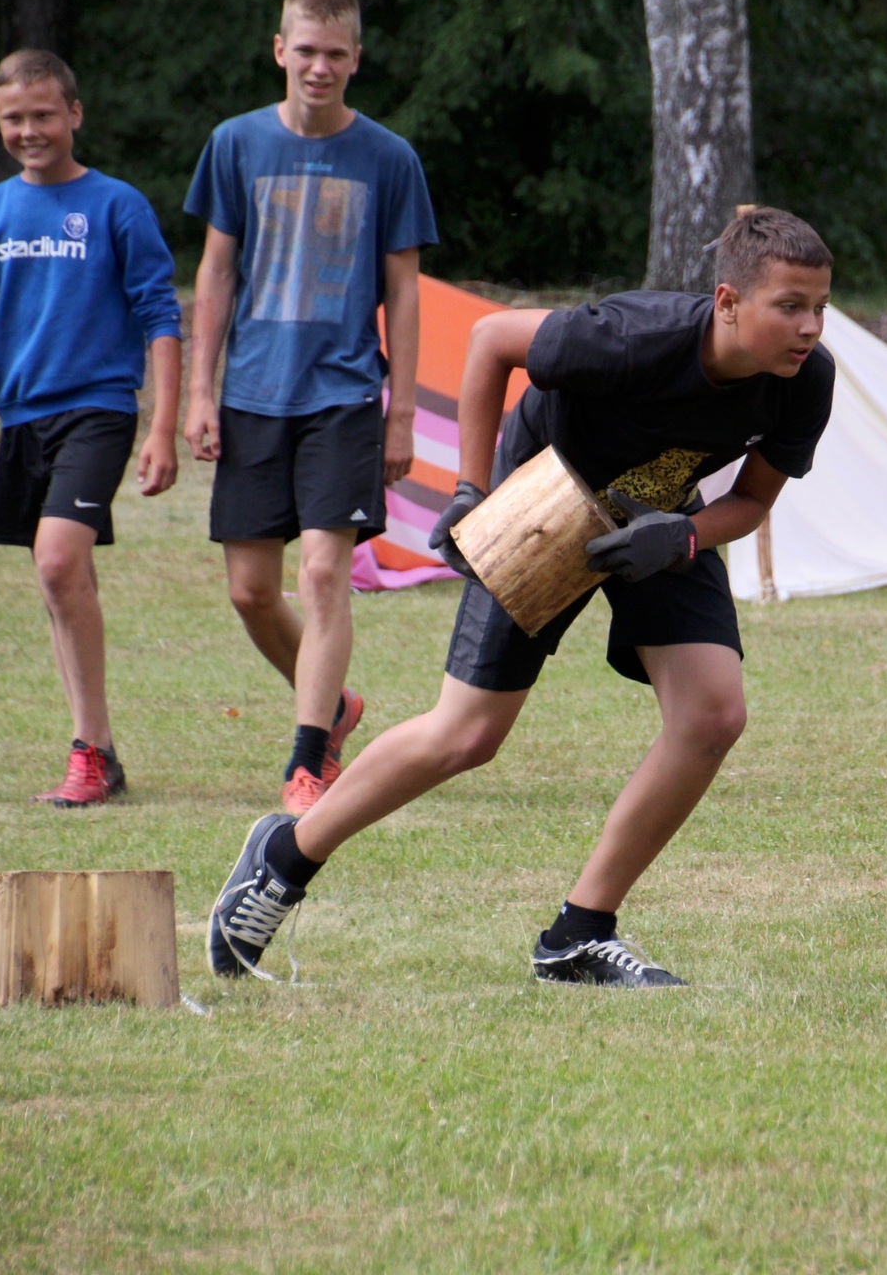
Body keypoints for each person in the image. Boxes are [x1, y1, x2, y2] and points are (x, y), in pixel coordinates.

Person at [207, 207, 836, 987]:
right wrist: (472, 491)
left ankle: (579, 934)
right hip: (546, 499)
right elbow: (491, 340)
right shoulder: (631, 338)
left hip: (660, 519)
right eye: (790, 306)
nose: (810, 328)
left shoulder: (806, 380)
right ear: (729, 302)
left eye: (819, 307)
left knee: (713, 715)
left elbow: (751, 500)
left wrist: (681, 538)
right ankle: (286, 853)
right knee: (466, 734)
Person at [182, 0, 437, 815]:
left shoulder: (389, 157)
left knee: (325, 572)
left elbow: (405, 289)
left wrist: (401, 412)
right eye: (306, 51)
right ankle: (335, 707)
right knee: (251, 592)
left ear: (355, 59)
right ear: (279, 50)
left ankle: (306, 761)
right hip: (253, 392)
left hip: (346, 394)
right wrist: (199, 391)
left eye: (335, 53)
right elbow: (216, 272)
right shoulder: (235, 144)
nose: (319, 67)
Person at [0, 49, 183, 808]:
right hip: (22, 418)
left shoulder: (116, 205)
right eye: (14, 118)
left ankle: (88, 754)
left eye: (43, 114)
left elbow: (161, 317)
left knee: (59, 561)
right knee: (63, 578)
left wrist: (162, 426)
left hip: (98, 409)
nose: (29, 129)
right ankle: (99, 751)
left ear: (74, 114)